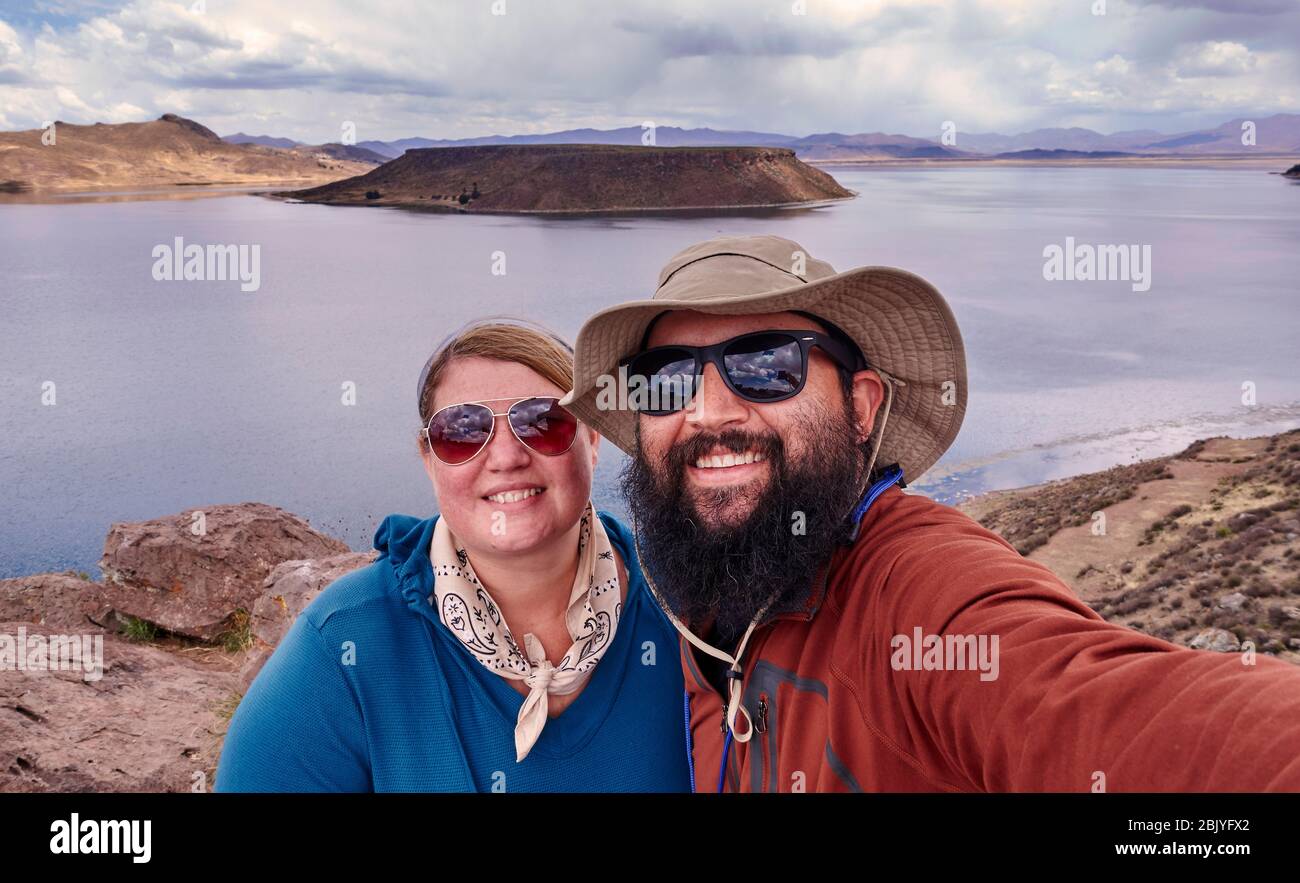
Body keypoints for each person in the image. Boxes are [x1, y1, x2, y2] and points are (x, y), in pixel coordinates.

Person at [561, 233, 1300, 792]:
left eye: (766, 365)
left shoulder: (914, 593)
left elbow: (1098, 709)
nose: (707, 411)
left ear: (861, 407)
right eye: (664, 379)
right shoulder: (710, 586)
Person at [216, 320, 692, 792]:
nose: (506, 457)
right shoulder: (348, 647)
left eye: (542, 422)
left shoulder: (687, 610)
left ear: (591, 440)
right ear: (428, 459)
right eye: (463, 431)